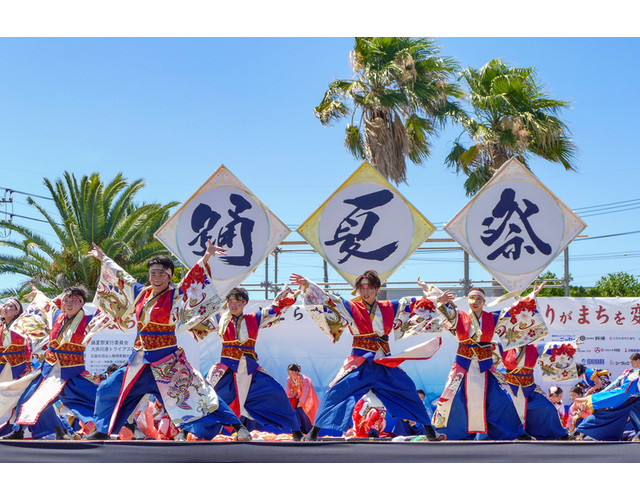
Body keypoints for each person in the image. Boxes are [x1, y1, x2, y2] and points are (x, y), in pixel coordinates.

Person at [86, 241, 251, 441]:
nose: (156, 278)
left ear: (169, 276)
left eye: (161, 274)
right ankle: (103, 431)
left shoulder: (174, 295)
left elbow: (192, 279)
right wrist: (103, 258)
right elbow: (122, 277)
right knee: (107, 388)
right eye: (153, 274)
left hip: (168, 363)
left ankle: (238, 426)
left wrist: (206, 256)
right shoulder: (141, 293)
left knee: (199, 395)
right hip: (140, 362)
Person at [289, 270, 450, 441]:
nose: (365, 291)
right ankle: (313, 432)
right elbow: (329, 299)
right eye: (362, 288)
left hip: (383, 362)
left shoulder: (389, 307)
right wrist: (308, 285)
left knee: (408, 389)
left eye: (369, 288)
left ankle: (430, 432)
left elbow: (414, 303)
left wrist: (436, 300)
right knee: (334, 392)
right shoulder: (350, 307)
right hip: (359, 362)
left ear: (377, 289)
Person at [430, 285, 547, 440]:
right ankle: (446, 433)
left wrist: (531, 295)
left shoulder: (492, 318)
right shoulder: (460, 316)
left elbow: (513, 312)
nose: (475, 301)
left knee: (501, 400)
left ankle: (515, 433)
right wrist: (442, 302)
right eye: (473, 298)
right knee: (453, 400)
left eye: (479, 299)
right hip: (463, 365)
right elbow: (448, 316)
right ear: (468, 301)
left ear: (484, 302)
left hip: (484, 365)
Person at [1, 286, 110, 440]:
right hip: (49, 371)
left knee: (95, 398)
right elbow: (46, 305)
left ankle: (109, 428)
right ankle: (19, 430)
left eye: (74, 300)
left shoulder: (89, 320)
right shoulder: (57, 316)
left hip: (72, 373)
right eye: (66, 300)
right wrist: (38, 293)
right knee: (28, 398)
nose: (69, 303)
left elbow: (109, 311)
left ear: (82, 303)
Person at [204, 286, 302, 439]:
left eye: (238, 302)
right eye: (230, 302)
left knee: (276, 393)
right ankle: (189, 431)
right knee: (208, 397)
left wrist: (292, 297)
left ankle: (296, 431)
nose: (234, 305)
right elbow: (198, 321)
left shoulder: (254, 319)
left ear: (245, 304)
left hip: (251, 370)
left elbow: (275, 309)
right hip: (227, 370)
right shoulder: (219, 319)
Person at [501, 342, 568, 440]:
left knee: (547, 407)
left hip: (529, 389)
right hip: (511, 389)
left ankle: (558, 433)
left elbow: (551, 346)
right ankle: (515, 433)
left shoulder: (533, 348)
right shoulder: (502, 347)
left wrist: (570, 345)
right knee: (499, 407)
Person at [571, 353, 640, 441]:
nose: (632, 364)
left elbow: (621, 392)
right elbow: (619, 389)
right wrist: (592, 398)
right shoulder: (632, 375)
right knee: (607, 414)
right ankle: (582, 432)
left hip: (622, 397)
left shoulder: (588, 372)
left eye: (633, 362)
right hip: (624, 398)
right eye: (631, 362)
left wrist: (591, 397)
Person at [285, 363, 319, 435]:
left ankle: (308, 431)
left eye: (292, 373)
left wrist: (301, 402)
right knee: (295, 413)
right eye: (289, 373)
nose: (290, 375)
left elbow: (306, 392)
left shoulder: (305, 380)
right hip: (297, 399)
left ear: (297, 372)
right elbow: (288, 390)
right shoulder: (289, 379)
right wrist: (291, 396)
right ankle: (298, 431)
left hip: (308, 399)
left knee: (305, 414)